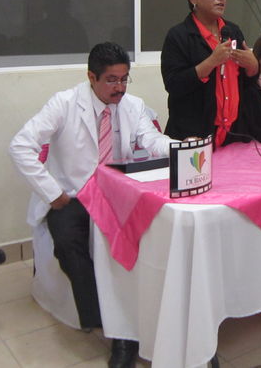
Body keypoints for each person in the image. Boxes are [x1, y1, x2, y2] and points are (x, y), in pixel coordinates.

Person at [9, 42, 174, 368]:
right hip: (74, 196)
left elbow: (151, 140)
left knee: (148, 237)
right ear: (91, 77)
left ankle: (144, 319)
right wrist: (52, 192)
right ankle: (113, 327)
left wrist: (180, 148)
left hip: (117, 194)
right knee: (69, 244)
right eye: (111, 80)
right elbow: (20, 146)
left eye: (124, 79)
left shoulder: (132, 105)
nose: (120, 88)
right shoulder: (64, 103)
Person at [161, 0, 258, 147]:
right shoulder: (179, 35)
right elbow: (174, 84)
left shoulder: (232, 31)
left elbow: (246, 82)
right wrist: (211, 62)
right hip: (194, 134)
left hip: (234, 132)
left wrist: (253, 66)